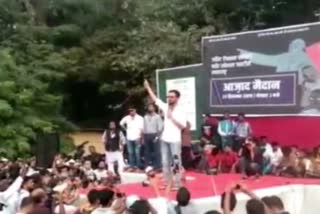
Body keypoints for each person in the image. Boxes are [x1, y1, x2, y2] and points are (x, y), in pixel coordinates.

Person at [144, 80, 187, 189]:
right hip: (164, 139)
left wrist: (171, 117)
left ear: (177, 98)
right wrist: (148, 88)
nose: (169, 99)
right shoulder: (165, 106)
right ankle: (167, 182)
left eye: (171, 97)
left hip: (175, 140)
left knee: (176, 162)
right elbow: (155, 99)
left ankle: (177, 183)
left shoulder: (181, 110)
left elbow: (183, 126)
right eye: (168, 97)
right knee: (164, 162)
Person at [120, 107, 144, 171]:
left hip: (137, 137)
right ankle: (132, 166)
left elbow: (142, 129)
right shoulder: (127, 117)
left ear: (135, 110)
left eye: (132, 110)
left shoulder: (140, 118)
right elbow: (121, 123)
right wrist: (125, 129)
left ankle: (138, 167)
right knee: (130, 153)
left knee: (137, 153)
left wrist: (141, 137)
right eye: (130, 111)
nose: (131, 112)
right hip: (129, 137)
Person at [143, 103, 163, 170]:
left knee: (157, 151)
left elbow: (160, 128)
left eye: (151, 107)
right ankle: (147, 166)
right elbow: (144, 127)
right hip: (146, 135)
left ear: (154, 108)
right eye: (149, 107)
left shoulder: (157, 116)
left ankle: (158, 166)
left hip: (154, 134)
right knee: (147, 151)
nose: (150, 108)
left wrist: (157, 136)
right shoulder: (145, 117)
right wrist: (143, 137)